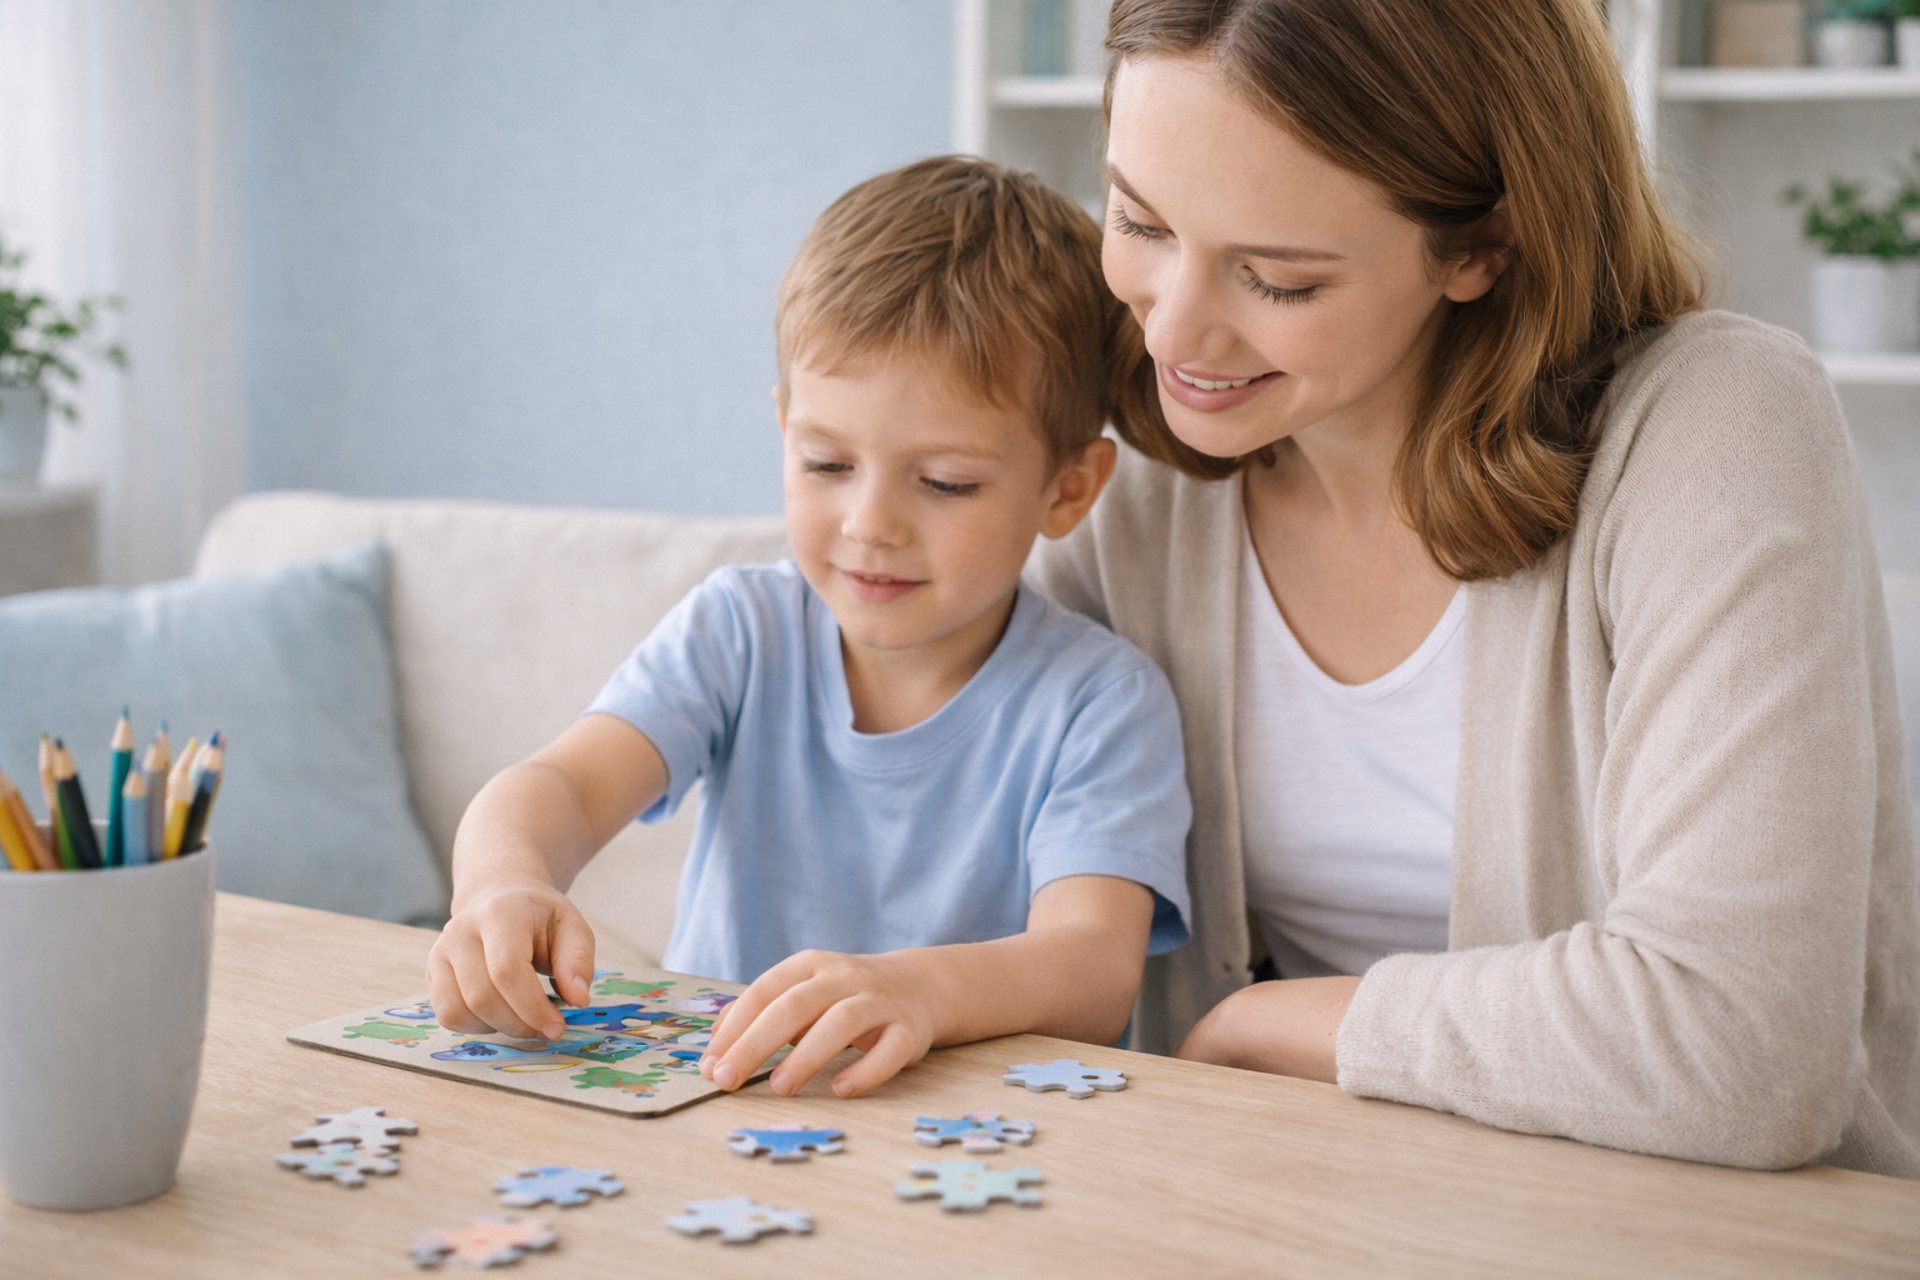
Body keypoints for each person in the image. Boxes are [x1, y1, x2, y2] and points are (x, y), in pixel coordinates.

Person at [1024, 0, 1919, 1177]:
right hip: (1275, 1203)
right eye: (1139, 219)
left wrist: (1285, 1022)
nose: (1174, 329)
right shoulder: (1136, 495)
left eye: (1278, 277)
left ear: (1481, 243)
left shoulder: (1716, 428)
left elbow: (1746, 1047)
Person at [427, 156, 1192, 1101]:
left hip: (976, 1133)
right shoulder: (738, 630)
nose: (871, 522)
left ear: (1067, 488)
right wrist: (504, 882)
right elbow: (561, 788)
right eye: (827, 463)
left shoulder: (1103, 702)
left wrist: (912, 989)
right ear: (784, 426)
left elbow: (1091, 966)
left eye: (945, 482)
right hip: (722, 1104)